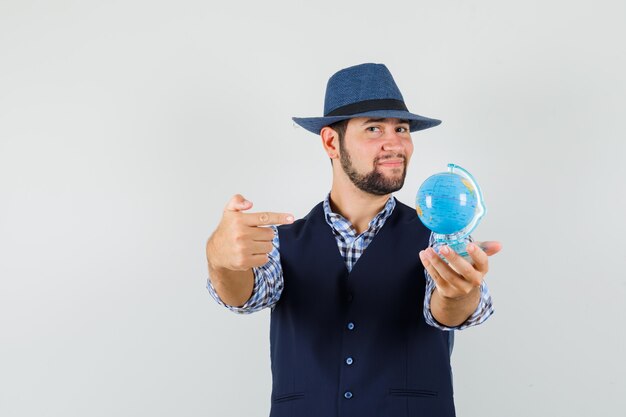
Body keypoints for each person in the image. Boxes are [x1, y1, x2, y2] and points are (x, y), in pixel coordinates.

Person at [205, 63, 502, 417]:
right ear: (332, 141)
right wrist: (220, 259)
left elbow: (449, 311)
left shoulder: (440, 236)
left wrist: (459, 292)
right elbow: (245, 296)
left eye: (402, 129)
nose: (395, 143)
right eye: (374, 128)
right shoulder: (280, 241)